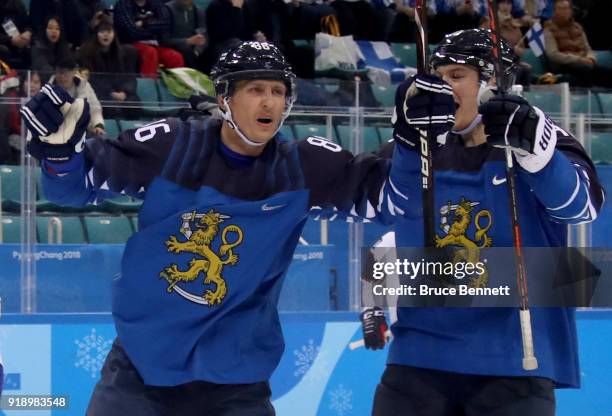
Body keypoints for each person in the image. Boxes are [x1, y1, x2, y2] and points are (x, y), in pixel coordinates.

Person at [20, 41, 411, 415]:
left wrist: (414, 143)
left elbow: (394, 203)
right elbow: (71, 187)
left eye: (278, 91)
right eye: (256, 88)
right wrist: (59, 156)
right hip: (139, 375)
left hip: (235, 388)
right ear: (224, 99)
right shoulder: (174, 147)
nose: (269, 101)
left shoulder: (303, 167)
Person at [361, 28, 604, 415]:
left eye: (457, 76)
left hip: (515, 364)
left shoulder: (541, 140)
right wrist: (373, 303)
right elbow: (385, 232)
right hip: (419, 360)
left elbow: (582, 208)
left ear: (494, 85)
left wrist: (536, 154)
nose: (444, 87)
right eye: (438, 76)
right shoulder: (411, 147)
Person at [76, 15, 140, 119]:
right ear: (96, 34)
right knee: (108, 105)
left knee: (133, 103)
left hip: (121, 91)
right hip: (100, 93)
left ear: (114, 34)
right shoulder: (86, 54)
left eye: (109, 32)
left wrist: (124, 92)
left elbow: (129, 77)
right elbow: (92, 80)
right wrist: (111, 93)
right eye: (102, 32)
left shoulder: (125, 53)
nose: (106, 35)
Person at [543, 0, 612, 88]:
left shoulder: (577, 27)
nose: (564, 11)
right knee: (584, 71)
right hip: (564, 65)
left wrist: (591, 58)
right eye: (560, 9)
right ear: (554, 11)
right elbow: (553, 54)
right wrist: (579, 59)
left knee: (606, 73)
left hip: (584, 62)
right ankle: (586, 98)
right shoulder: (549, 29)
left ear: (571, 11)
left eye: (566, 8)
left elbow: (588, 48)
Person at [114, 0, 185, 78]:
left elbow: (165, 24)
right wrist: (154, 30)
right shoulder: (123, 4)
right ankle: (147, 87)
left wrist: (144, 23)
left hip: (155, 44)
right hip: (131, 43)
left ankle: (178, 87)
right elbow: (132, 31)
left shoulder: (156, 3)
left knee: (175, 57)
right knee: (150, 53)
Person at [49, 57, 106, 136]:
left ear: (74, 72)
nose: (62, 76)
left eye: (66, 73)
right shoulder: (48, 89)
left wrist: (98, 125)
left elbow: (95, 109)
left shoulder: (83, 85)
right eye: (59, 72)